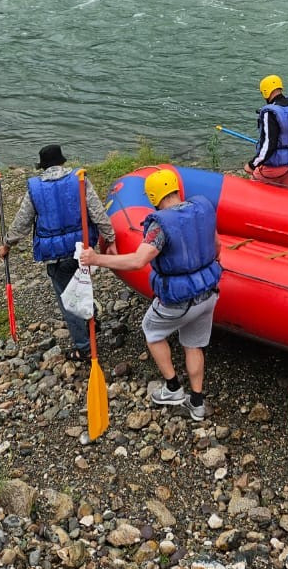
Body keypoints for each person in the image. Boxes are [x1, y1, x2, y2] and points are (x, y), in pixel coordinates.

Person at [81, 167, 222, 422]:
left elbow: (138, 261)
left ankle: (172, 388)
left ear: (154, 197)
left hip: (178, 299)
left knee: (152, 331)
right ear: (177, 190)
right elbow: (218, 246)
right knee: (193, 344)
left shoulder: (160, 225)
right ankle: (198, 404)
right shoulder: (203, 209)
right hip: (208, 293)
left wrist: (96, 259)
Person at [0, 143, 115, 363]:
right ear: (62, 162)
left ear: (43, 166)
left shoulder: (35, 189)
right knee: (83, 284)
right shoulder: (79, 180)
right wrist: (110, 237)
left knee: (68, 300)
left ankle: (84, 347)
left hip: (55, 255)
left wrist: (7, 244)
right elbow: (97, 211)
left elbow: (22, 221)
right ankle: (91, 321)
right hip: (82, 249)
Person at [243, 74, 288, 188]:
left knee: (254, 192)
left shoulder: (269, 113)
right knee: (284, 197)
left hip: (274, 168)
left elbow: (268, 146)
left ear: (266, 92)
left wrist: (252, 165)